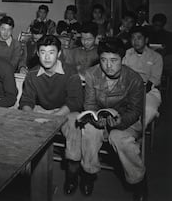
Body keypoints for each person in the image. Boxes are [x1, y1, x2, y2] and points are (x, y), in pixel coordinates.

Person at [80, 37, 146, 200]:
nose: (108, 65)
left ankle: (139, 181)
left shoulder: (134, 79)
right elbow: (89, 104)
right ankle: (89, 172)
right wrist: (96, 119)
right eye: (103, 60)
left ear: (122, 59)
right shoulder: (91, 74)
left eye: (114, 60)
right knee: (89, 131)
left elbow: (135, 111)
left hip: (126, 122)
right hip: (101, 119)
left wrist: (120, 122)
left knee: (119, 138)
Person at [18, 35, 83, 195]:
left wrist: (54, 118)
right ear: (38, 54)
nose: (47, 57)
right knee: (22, 121)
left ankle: (72, 173)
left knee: (75, 125)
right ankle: (25, 174)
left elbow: (75, 101)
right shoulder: (32, 74)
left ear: (59, 53)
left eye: (51, 52)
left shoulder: (70, 72)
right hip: (42, 109)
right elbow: (26, 101)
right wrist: (29, 117)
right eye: (43, 52)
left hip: (66, 109)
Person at [123, 26, 163, 127]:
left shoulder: (156, 57)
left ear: (146, 40)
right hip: (127, 89)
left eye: (139, 38)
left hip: (148, 90)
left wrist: (138, 92)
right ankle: (125, 130)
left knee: (148, 109)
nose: (135, 41)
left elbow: (154, 80)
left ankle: (139, 131)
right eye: (133, 38)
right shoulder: (126, 54)